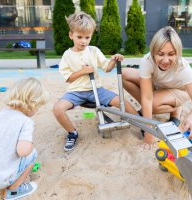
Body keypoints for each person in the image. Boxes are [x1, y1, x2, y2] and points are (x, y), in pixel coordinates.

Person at [53, 11, 138, 152]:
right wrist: (82, 71)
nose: (83, 41)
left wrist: (113, 59)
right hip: (76, 92)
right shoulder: (67, 55)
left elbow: (107, 68)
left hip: (97, 90)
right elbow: (67, 78)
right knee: (57, 109)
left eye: (87, 37)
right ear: (71, 35)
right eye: (79, 37)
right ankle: (72, 132)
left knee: (122, 101)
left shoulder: (94, 51)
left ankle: (140, 122)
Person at [122, 26, 192, 146]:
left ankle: (176, 110)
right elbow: (146, 97)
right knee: (125, 74)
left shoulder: (183, 67)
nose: (165, 60)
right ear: (153, 52)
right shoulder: (147, 61)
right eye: (160, 54)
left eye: (171, 54)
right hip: (158, 86)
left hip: (177, 91)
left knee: (151, 104)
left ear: (177, 53)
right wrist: (148, 130)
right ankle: (153, 108)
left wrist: (191, 119)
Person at [0, 77, 49, 200]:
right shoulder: (25, 121)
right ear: (32, 105)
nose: (37, 110)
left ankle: (3, 180)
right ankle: (13, 191)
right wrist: (29, 143)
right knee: (32, 154)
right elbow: (23, 151)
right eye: (38, 107)